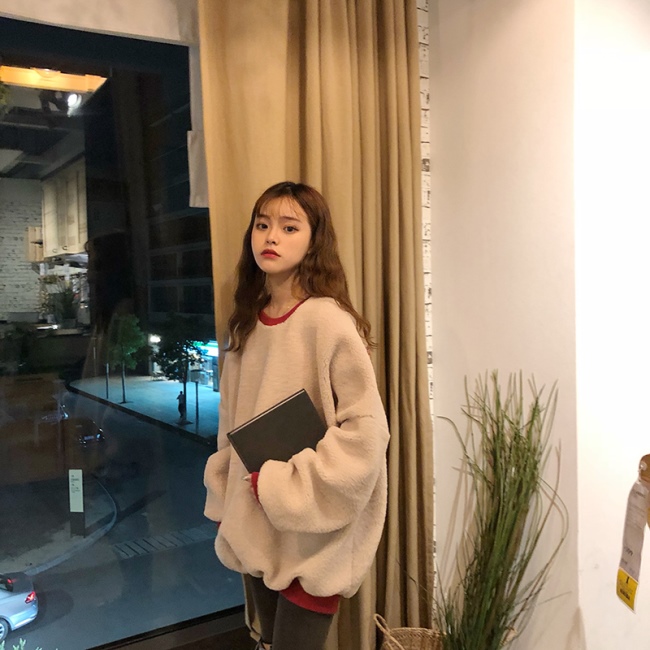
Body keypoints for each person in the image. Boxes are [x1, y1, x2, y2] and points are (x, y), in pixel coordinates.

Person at [203, 181, 389, 650]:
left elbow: (367, 432)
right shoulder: (246, 323)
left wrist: (285, 485)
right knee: (267, 642)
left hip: (314, 534)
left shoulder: (328, 321)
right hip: (257, 524)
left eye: (289, 227)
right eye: (262, 224)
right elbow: (230, 423)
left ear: (313, 239)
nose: (271, 236)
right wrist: (225, 498)